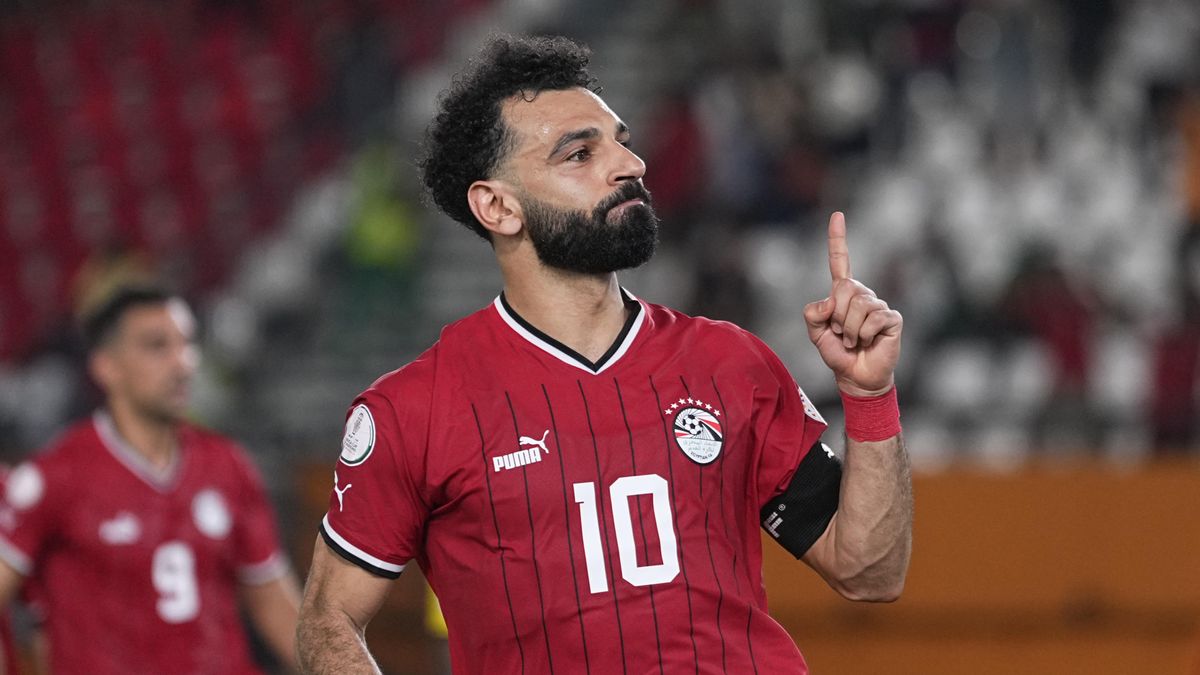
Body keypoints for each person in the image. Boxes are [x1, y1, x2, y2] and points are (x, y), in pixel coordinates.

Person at [297, 35, 912, 674]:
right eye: (580, 153)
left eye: (621, 141)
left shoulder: (730, 362)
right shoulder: (414, 409)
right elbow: (327, 620)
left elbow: (869, 572)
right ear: (497, 206)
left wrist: (870, 397)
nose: (630, 164)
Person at [0, 285, 301, 674]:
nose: (183, 363)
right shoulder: (55, 477)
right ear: (106, 366)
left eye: (187, 344)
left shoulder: (229, 466)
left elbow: (273, 603)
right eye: (157, 346)